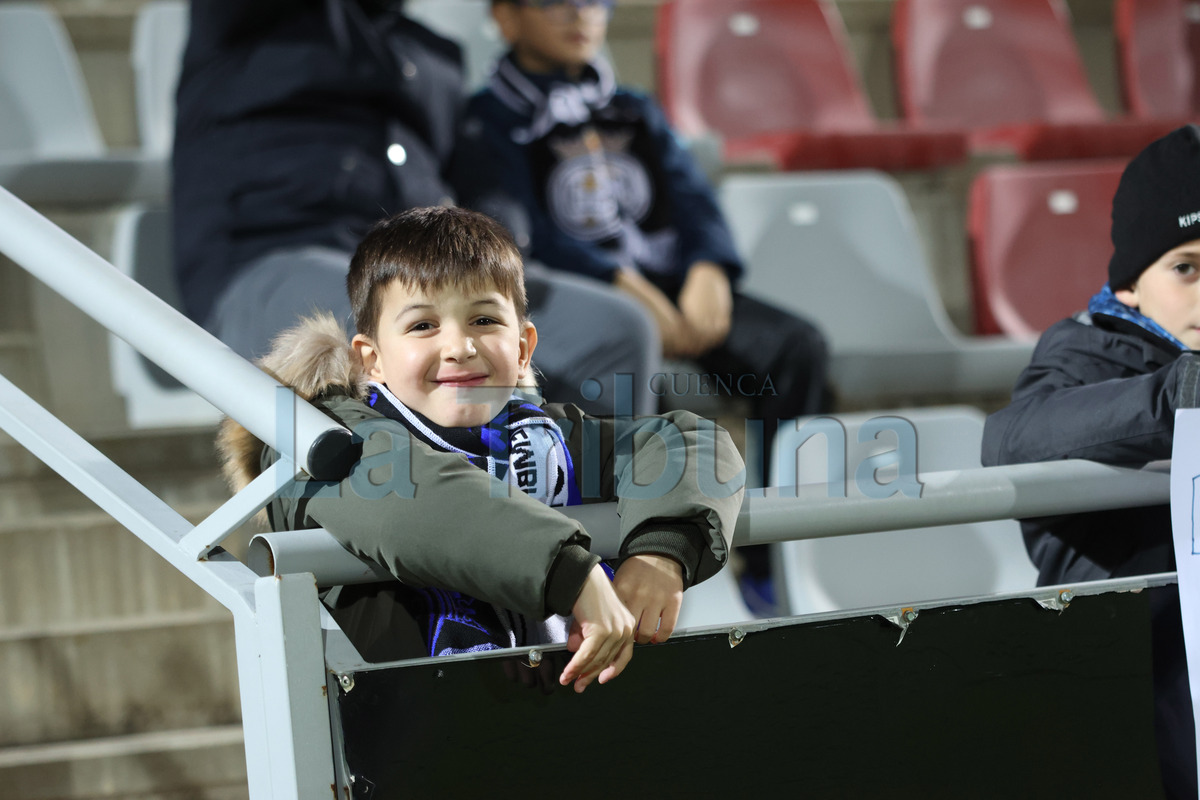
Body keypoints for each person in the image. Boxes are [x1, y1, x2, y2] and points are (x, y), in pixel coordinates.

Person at [218, 206, 744, 693]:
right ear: (370, 360)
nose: (459, 346)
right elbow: (407, 502)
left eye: (484, 320)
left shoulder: (549, 434)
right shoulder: (318, 439)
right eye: (423, 325)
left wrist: (662, 553)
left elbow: (686, 441)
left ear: (522, 349)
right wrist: (571, 574)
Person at [461, 0, 828, 612]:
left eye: (594, 3)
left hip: (680, 288)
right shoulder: (486, 118)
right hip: (591, 297)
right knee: (630, 364)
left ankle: (772, 558)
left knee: (797, 346)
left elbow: (692, 197)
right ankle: (649, 555)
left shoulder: (632, 105)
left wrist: (709, 271)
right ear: (505, 17)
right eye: (556, 4)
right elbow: (518, 233)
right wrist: (625, 287)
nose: (581, 17)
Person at [172, 0, 660, 414]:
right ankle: (476, 516)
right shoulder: (240, 19)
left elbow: (482, 179)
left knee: (615, 332)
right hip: (275, 260)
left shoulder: (433, 57)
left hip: (429, 266)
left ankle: (583, 514)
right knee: (413, 335)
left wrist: (494, 251)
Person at [983, 126, 1200, 799]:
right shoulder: (1088, 352)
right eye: (1186, 267)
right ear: (1130, 287)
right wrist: (1178, 398)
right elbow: (1011, 441)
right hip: (1132, 711)